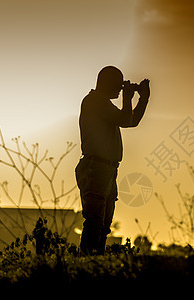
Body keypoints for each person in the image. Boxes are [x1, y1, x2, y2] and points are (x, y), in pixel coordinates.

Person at [75, 66, 150, 255]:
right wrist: (128, 97)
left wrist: (143, 99)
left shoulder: (103, 104)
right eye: (118, 84)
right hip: (96, 169)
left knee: (104, 224)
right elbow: (126, 120)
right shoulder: (95, 102)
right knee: (95, 222)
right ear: (107, 83)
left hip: (106, 170)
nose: (120, 87)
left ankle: (95, 261)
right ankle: (87, 263)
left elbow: (130, 121)